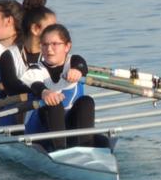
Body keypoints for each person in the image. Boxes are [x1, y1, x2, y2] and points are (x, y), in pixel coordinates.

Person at [17, 23, 100, 151]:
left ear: (67, 46)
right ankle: (60, 150)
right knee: (54, 103)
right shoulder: (35, 69)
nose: (49, 49)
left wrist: (77, 71)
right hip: (40, 131)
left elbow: (81, 65)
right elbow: (35, 84)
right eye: (44, 45)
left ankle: (86, 148)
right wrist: (44, 92)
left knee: (87, 101)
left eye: (55, 44)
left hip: (69, 127)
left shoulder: (74, 62)